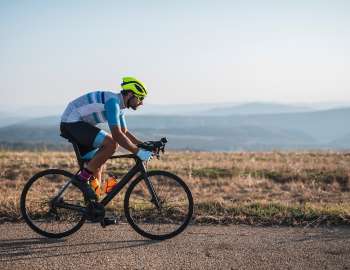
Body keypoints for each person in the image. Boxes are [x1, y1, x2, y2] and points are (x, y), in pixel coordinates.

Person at [60, 77, 153, 198]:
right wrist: (137, 151)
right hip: (71, 123)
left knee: (96, 165)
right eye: (140, 98)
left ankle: (94, 206)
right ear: (130, 94)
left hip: (78, 125)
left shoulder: (119, 106)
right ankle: (81, 179)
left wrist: (143, 145)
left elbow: (124, 132)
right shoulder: (112, 103)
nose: (141, 102)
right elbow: (117, 135)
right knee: (112, 143)